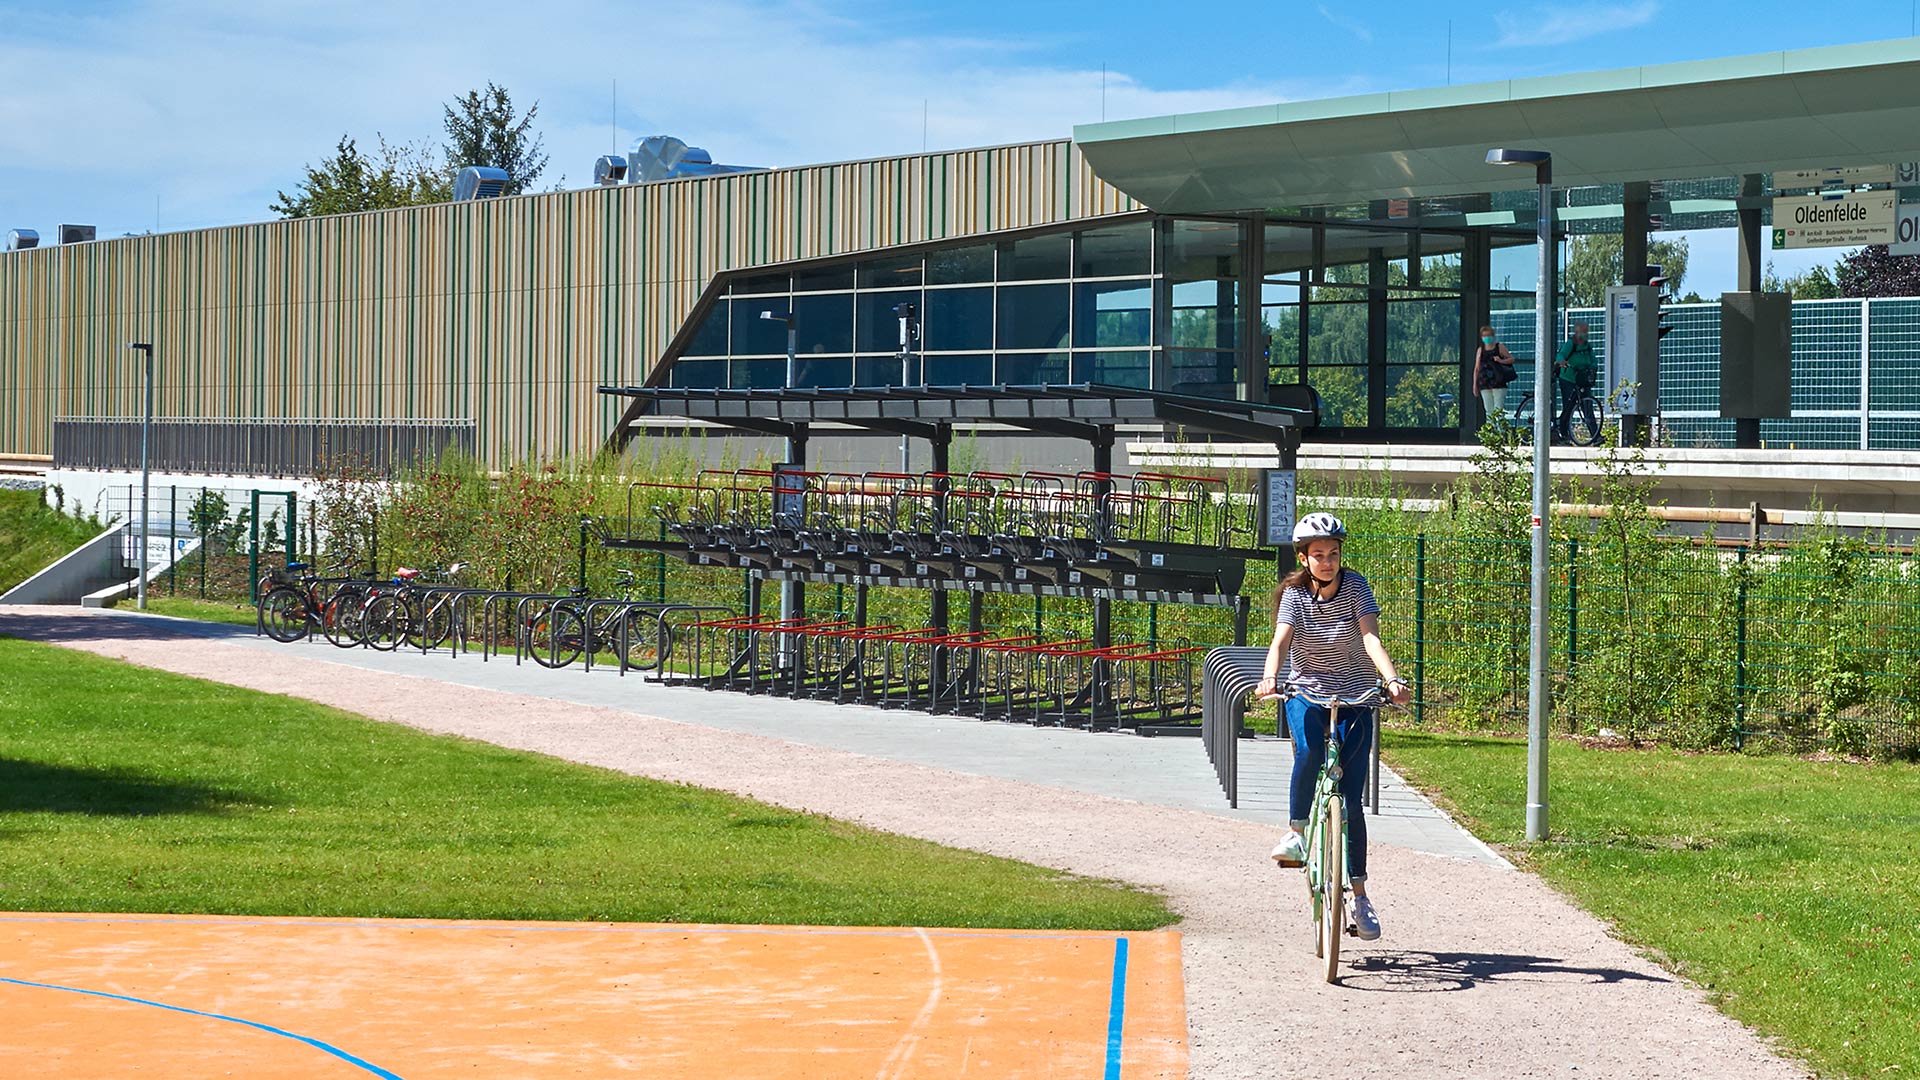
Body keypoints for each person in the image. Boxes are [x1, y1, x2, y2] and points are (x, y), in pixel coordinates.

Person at [1254, 513, 1411, 942]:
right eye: (1318, 555)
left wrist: (1391, 680)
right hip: (1307, 692)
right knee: (1308, 753)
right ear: (1304, 559)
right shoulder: (1294, 596)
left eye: (1333, 554)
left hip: (1356, 697)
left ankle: (1360, 896)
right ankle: (1297, 833)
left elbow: (1370, 639)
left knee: (1352, 801)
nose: (1327, 562)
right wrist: (1271, 677)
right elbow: (1281, 640)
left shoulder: (1356, 586)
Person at [1554, 322, 1600, 444]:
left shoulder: (1587, 346)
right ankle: (1564, 434)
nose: (1586, 334)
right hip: (1568, 378)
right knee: (1568, 406)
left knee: (1587, 406)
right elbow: (1561, 355)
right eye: (1583, 332)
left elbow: (1593, 359)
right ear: (1577, 332)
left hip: (1582, 378)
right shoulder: (1571, 344)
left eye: (1586, 332)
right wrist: (1561, 362)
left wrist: (1593, 367)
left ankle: (1596, 436)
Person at [1472, 325, 1517, 425]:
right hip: (1484, 383)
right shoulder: (1480, 350)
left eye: (1489, 335)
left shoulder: (1499, 347)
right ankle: (1491, 435)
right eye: (1484, 336)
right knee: (1489, 411)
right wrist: (1475, 385)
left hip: (1498, 382)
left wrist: (1501, 360)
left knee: (1498, 411)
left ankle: (1500, 434)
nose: (1487, 338)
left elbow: (1511, 359)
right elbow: (1476, 368)